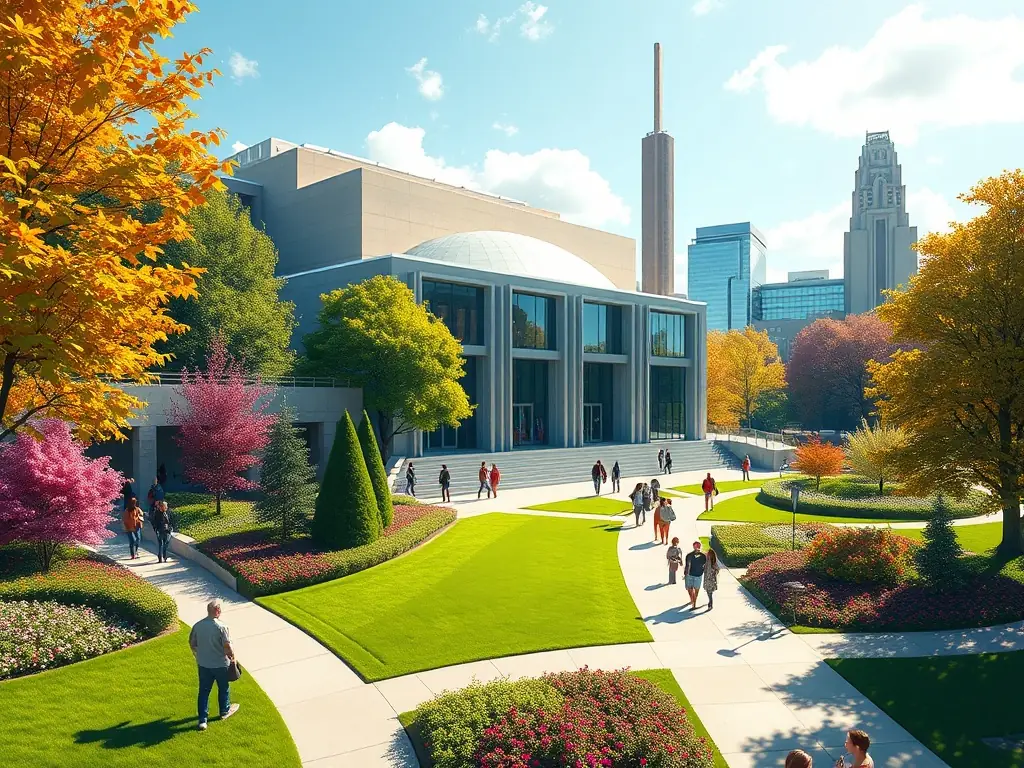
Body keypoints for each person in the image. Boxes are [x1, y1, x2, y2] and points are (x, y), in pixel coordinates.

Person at [189, 599, 240, 731]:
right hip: (220, 664)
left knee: (204, 691)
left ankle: (202, 720)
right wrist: (232, 657)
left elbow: (192, 643)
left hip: (203, 664)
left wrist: (198, 655)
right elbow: (227, 646)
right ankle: (224, 711)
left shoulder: (198, 626)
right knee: (223, 688)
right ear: (217, 611)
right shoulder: (221, 627)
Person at [683, 540, 708, 609]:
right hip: (689, 575)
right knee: (689, 589)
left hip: (698, 575)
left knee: (696, 590)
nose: (697, 547)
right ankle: (692, 600)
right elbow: (687, 565)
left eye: (698, 546)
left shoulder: (703, 556)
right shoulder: (689, 555)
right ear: (693, 547)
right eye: (695, 546)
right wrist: (685, 574)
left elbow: (705, 565)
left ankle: (694, 604)